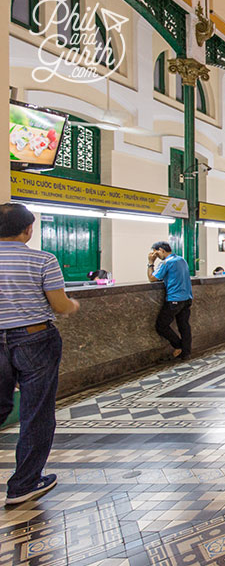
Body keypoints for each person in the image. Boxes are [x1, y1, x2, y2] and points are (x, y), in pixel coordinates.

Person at [0, 203, 80, 505]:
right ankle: (24, 483)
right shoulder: (43, 260)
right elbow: (60, 305)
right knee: (36, 412)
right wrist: (72, 305)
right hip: (34, 339)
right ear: (28, 229)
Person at [147, 241, 193, 359]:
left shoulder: (166, 263)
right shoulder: (182, 260)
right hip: (187, 298)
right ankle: (186, 352)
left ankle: (178, 346)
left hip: (174, 299)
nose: (156, 256)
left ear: (161, 250)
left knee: (161, 325)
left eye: (156, 253)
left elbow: (152, 278)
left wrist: (151, 263)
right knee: (184, 325)